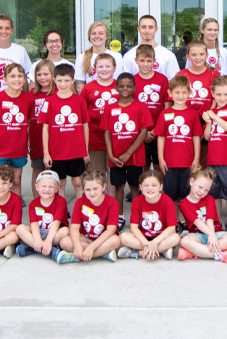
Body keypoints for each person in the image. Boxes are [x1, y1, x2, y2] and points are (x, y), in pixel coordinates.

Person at [102, 72, 152, 223]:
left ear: (134, 88)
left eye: (129, 86)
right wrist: (111, 155)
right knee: (118, 187)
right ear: (116, 87)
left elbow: (144, 131)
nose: (125, 89)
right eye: (122, 86)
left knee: (135, 187)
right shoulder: (110, 108)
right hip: (116, 157)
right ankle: (119, 217)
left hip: (135, 157)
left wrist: (129, 153)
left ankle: (137, 218)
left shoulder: (141, 106)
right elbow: (107, 132)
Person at [0, 63, 34, 197]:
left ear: (24, 79)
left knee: (16, 180)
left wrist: (28, 142)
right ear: (5, 79)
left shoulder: (28, 99)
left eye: (19, 76)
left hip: (18, 148)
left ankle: (14, 206)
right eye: (12, 76)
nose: (16, 79)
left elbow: (28, 124)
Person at [40, 63, 90, 199]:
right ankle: (61, 212)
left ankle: (81, 210)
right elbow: (45, 127)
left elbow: (85, 125)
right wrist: (46, 153)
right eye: (60, 80)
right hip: (57, 151)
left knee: (78, 182)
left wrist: (85, 150)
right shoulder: (48, 101)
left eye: (67, 80)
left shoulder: (79, 101)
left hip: (76, 150)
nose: (63, 84)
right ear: (54, 80)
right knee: (60, 183)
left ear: (73, 80)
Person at [154, 75, 203, 204]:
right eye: (177, 92)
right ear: (170, 93)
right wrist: (161, 158)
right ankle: (173, 221)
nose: (180, 96)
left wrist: (196, 159)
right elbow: (161, 138)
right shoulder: (165, 113)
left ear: (189, 93)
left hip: (188, 162)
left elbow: (196, 138)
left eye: (184, 92)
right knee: (171, 195)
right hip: (170, 162)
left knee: (187, 194)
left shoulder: (193, 114)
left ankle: (185, 221)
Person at [178, 167, 227, 263]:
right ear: (191, 182)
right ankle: (222, 255)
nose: (202, 192)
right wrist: (210, 235)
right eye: (200, 187)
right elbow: (198, 223)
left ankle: (195, 252)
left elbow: (210, 220)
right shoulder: (183, 204)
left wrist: (212, 236)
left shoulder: (209, 199)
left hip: (215, 232)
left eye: (206, 190)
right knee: (184, 241)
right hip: (197, 235)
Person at [202, 75, 227, 230]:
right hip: (213, 159)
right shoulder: (211, 111)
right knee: (215, 194)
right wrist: (209, 122)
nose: (222, 98)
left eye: (226, 94)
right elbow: (206, 136)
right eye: (218, 94)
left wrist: (215, 117)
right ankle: (216, 220)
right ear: (213, 94)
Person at [56, 170, 120, 263]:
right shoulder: (80, 202)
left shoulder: (112, 202)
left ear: (103, 187)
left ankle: (76, 257)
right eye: (88, 190)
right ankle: (103, 253)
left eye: (95, 189)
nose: (92, 192)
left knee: (116, 240)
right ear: (83, 189)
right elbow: (74, 227)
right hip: (85, 238)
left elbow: (111, 230)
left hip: (103, 239)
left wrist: (92, 247)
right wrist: (77, 246)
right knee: (64, 242)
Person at [119, 170, 180, 260]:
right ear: (140, 187)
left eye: (154, 185)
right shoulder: (137, 201)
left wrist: (155, 242)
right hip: (143, 237)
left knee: (176, 238)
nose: (150, 188)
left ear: (161, 187)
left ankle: (138, 253)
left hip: (161, 237)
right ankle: (161, 251)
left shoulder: (167, 201)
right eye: (146, 185)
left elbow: (171, 228)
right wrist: (147, 243)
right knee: (123, 237)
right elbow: (133, 227)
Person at [80, 52, 119, 180]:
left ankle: (111, 200)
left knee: (112, 176)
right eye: (100, 67)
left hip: (116, 139)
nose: (104, 70)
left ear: (114, 68)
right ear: (95, 69)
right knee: (97, 174)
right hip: (94, 139)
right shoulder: (88, 88)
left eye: (108, 66)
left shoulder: (120, 86)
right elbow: (82, 113)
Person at [15, 169, 70, 259]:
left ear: (57, 188)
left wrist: (48, 241)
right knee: (20, 229)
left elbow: (56, 223)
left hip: (54, 233)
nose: (46, 189)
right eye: (43, 186)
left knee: (65, 231)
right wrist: (37, 240)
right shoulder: (33, 203)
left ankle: (32, 248)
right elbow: (34, 224)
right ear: (36, 187)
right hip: (39, 232)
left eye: (51, 187)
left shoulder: (61, 201)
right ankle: (48, 250)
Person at [133, 44, 170, 172]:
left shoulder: (162, 80)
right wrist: (143, 132)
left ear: (154, 62)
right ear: (136, 61)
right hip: (139, 133)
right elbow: (131, 110)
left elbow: (167, 108)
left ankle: (159, 190)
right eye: (142, 61)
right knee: (143, 166)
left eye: (149, 61)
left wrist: (156, 130)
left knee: (159, 165)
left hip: (158, 132)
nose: (145, 64)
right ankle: (144, 191)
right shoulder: (132, 81)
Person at [122, 14, 180, 79]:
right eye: (143, 27)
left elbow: (174, 83)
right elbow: (126, 82)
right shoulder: (129, 56)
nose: (147, 31)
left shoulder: (168, 55)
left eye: (150, 27)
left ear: (156, 29)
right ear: (138, 29)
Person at [28, 60, 56, 188]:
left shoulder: (58, 94)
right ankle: (37, 204)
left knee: (54, 173)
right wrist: (27, 140)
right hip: (37, 139)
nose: (42, 78)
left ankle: (55, 205)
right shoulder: (31, 95)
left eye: (46, 74)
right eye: (39, 75)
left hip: (56, 140)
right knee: (38, 170)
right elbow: (28, 120)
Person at [75, 20, 123, 89]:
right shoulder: (82, 57)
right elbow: (79, 85)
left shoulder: (117, 57)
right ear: (89, 37)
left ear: (106, 37)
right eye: (93, 33)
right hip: (90, 98)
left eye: (101, 33)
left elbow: (118, 81)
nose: (97, 36)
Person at [178, 39, 215, 116]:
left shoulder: (214, 74)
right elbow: (176, 98)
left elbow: (216, 98)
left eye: (201, 54)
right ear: (188, 57)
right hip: (185, 117)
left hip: (206, 118)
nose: (198, 57)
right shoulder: (181, 75)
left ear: (206, 55)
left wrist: (210, 115)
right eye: (194, 55)